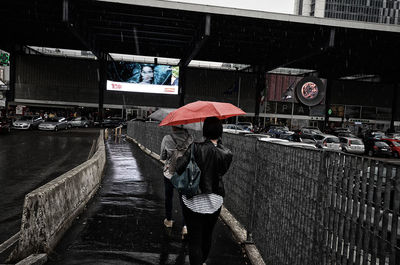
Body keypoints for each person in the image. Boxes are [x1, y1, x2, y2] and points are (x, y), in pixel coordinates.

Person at [176, 117, 233, 265]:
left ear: (205, 130)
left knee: (194, 240)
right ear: (220, 132)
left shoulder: (195, 147)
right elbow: (220, 172)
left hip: (193, 199)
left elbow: (179, 167)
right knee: (207, 236)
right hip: (215, 201)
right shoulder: (227, 153)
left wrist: (182, 155)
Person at [160, 126, 193, 237]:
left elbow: (163, 157)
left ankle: (169, 220)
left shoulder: (167, 138)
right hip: (183, 174)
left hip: (169, 173)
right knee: (184, 200)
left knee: (168, 197)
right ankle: (185, 226)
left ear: (173, 125)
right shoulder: (190, 138)